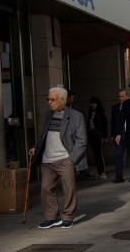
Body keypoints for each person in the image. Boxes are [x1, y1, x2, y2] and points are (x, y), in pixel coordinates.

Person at [29, 86, 87, 229]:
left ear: (62, 100)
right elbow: (45, 136)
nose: (49, 102)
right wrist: (36, 146)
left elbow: (82, 141)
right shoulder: (49, 115)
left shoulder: (75, 115)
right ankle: (52, 217)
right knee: (45, 189)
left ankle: (67, 217)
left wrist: (71, 159)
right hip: (47, 160)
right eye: (48, 99)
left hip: (65, 159)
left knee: (69, 189)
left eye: (52, 99)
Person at [110, 89, 130, 183]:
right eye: (119, 96)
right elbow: (113, 122)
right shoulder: (115, 108)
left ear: (127, 96)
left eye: (122, 96)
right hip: (119, 135)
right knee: (118, 156)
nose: (120, 98)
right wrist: (113, 134)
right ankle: (119, 176)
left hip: (129, 134)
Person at [86, 97, 108, 180]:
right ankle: (99, 172)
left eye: (94, 103)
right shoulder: (90, 113)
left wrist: (105, 136)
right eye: (91, 103)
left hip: (99, 135)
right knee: (96, 154)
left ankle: (102, 172)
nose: (92, 105)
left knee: (100, 154)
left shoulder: (102, 113)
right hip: (92, 136)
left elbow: (105, 124)